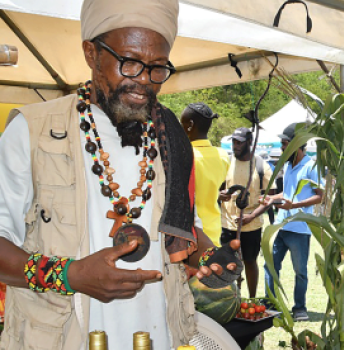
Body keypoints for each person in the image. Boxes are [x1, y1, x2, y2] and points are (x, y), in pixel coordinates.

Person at [0, 0, 239, 348]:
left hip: (157, 336)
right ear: (91, 53)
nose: (143, 80)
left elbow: (185, 233)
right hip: (60, 337)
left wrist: (210, 258)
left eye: (157, 68)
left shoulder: (171, 137)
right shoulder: (31, 131)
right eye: (129, 63)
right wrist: (69, 275)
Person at [262, 123, 323, 322]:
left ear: (297, 145)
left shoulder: (312, 166)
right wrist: (271, 198)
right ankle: (271, 304)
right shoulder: (288, 165)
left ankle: (299, 308)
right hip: (280, 226)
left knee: (300, 272)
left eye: (284, 144)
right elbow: (287, 193)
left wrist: (294, 205)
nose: (281, 148)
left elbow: (320, 196)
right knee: (270, 266)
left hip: (299, 228)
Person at [219, 127, 274, 298]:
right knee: (229, 263)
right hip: (228, 223)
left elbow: (269, 199)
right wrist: (221, 195)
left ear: (250, 143)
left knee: (250, 262)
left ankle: (251, 299)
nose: (235, 146)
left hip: (252, 226)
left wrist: (252, 216)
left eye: (239, 143)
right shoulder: (227, 162)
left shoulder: (260, 166)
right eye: (234, 142)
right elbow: (219, 189)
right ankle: (231, 299)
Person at [181, 102, 230, 246]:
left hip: (192, 234)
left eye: (181, 123)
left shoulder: (184, 156)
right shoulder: (223, 155)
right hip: (213, 230)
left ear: (190, 125)